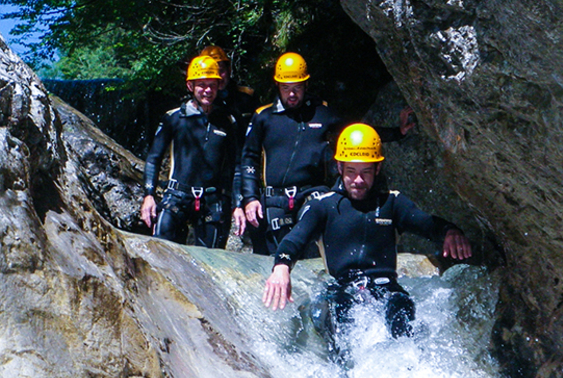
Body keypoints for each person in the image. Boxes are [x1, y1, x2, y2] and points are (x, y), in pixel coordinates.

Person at [262, 123, 472, 355]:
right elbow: (295, 240)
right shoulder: (323, 205)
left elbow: (426, 223)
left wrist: (450, 232)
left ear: (378, 168)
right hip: (342, 288)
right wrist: (281, 266)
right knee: (340, 311)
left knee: (401, 306)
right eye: (351, 171)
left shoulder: (392, 203)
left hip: (385, 288)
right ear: (339, 166)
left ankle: (408, 370)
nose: (358, 180)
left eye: (366, 172)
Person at [237, 52, 409, 256]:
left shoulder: (322, 112)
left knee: (314, 255)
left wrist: (397, 132)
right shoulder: (263, 117)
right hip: (275, 199)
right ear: (277, 86)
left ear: (306, 85)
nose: (292, 94)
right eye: (286, 88)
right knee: (275, 257)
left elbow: (356, 133)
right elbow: (248, 158)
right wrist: (249, 198)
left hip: (311, 195)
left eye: (297, 88)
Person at [140, 55, 244, 248]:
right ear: (190, 86)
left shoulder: (228, 121)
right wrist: (149, 196)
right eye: (201, 85)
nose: (207, 90)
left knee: (212, 262)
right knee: (163, 254)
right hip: (177, 196)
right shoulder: (174, 118)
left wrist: (238, 204)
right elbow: (154, 158)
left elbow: (237, 166)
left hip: (212, 200)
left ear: (219, 85)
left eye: (212, 85)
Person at [200, 44, 257, 121]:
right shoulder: (200, 102)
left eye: (221, 71)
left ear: (229, 70)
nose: (218, 77)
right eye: (212, 73)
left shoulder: (246, 96)